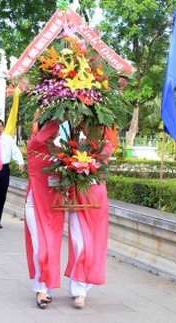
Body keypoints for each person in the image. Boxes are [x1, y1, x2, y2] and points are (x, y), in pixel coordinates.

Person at [63, 127, 114, 309]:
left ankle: (81, 285)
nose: (91, 128)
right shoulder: (75, 145)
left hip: (97, 199)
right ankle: (79, 290)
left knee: (93, 245)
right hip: (78, 198)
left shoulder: (106, 146)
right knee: (80, 244)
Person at [24, 116, 64, 309]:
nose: (53, 133)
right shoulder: (34, 145)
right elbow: (41, 138)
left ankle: (47, 286)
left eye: (55, 131)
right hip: (35, 205)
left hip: (54, 207)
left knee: (52, 248)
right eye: (50, 129)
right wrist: (61, 110)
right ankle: (40, 288)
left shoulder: (60, 152)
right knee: (40, 248)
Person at [0, 118, 24, 231]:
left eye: (0, 126)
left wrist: (20, 162)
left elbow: (15, 151)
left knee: (1, 196)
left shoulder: (8, 139)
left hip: (4, 170)